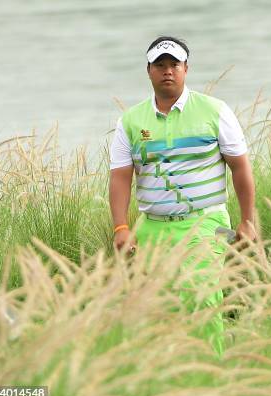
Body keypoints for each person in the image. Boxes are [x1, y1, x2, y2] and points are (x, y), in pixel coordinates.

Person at [108, 36, 256, 354]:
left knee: (201, 294)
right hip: (153, 225)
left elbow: (240, 168)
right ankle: (173, 378)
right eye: (160, 65)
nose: (167, 71)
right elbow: (121, 177)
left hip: (205, 221)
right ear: (148, 71)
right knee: (159, 305)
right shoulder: (131, 121)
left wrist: (247, 220)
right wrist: (121, 226)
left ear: (186, 68)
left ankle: (212, 373)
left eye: (174, 64)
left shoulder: (215, 111)